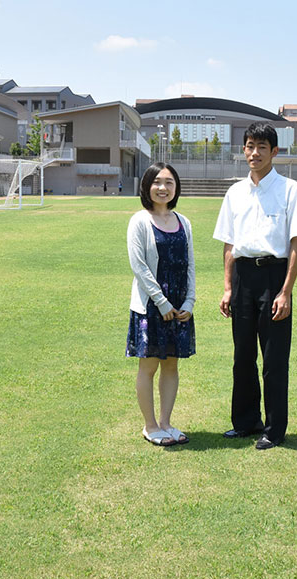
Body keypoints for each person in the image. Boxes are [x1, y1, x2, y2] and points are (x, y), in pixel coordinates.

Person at [213, 122, 297, 449]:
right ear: (243, 149)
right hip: (242, 278)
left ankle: (274, 429)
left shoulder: (291, 191)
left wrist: (286, 291)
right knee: (242, 356)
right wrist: (228, 287)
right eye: (250, 146)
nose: (255, 153)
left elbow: (296, 243)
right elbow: (229, 244)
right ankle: (245, 421)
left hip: (274, 277)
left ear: (274, 152)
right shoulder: (235, 193)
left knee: (273, 358)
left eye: (262, 147)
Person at [126, 162, 196, 446]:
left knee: (171, 367)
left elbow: (190, 264)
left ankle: (166, 423)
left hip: (179, 308)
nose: (163, 188)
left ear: (176, 187)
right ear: (147, 186)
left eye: (169, 182)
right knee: (149, 367)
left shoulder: (184, 222)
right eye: (157, 182)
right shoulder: (139, 221)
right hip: (151, 307)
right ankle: (150, 426)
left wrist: (189, 301)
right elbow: (139, 266)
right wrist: (161, 302)